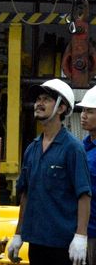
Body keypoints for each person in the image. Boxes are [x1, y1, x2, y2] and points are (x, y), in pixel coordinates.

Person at [6, 79, 90, 265]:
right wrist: (18, 234)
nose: (39, 103)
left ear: (61, 108)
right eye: (38, 99)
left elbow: (84, 194)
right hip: (36, 242)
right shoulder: (32, 149)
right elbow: (26, 194)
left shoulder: (72, 148)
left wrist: (80, 235)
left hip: (63, 244)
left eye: (46, 99)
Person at [78, 85, 96, 265]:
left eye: (90, 111)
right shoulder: (82, 147)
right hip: (83, 231)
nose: (83, 115)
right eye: (83, 110)